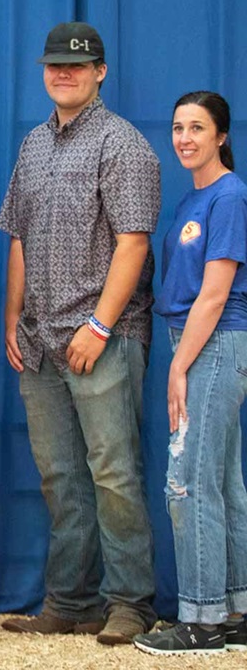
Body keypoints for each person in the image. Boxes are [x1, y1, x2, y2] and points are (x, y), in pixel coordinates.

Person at [0, 22, 160, 645]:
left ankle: (130, 603)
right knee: (60, 475)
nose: (63, 73)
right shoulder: (33, 145)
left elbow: (134, 242)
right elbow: (18, 234)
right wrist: (14, 317)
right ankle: (71, 600)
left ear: (100, 72)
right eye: (54, 65)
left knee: (114, 472)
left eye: (76, 65)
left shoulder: (124, 145)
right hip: (40, 340)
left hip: (103, 337)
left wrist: (99, 324)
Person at [133, 92, 247, 656]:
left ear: (221, 136)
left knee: (188, 484)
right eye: (178, 127)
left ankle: (201, 621)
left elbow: (216, 292)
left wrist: (179, 366)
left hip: (215, 342)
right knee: (224, 483)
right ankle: (236, 608)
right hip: (199, 343)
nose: (184, 138)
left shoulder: (229, 197)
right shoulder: (193, 199)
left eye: (197, 128)